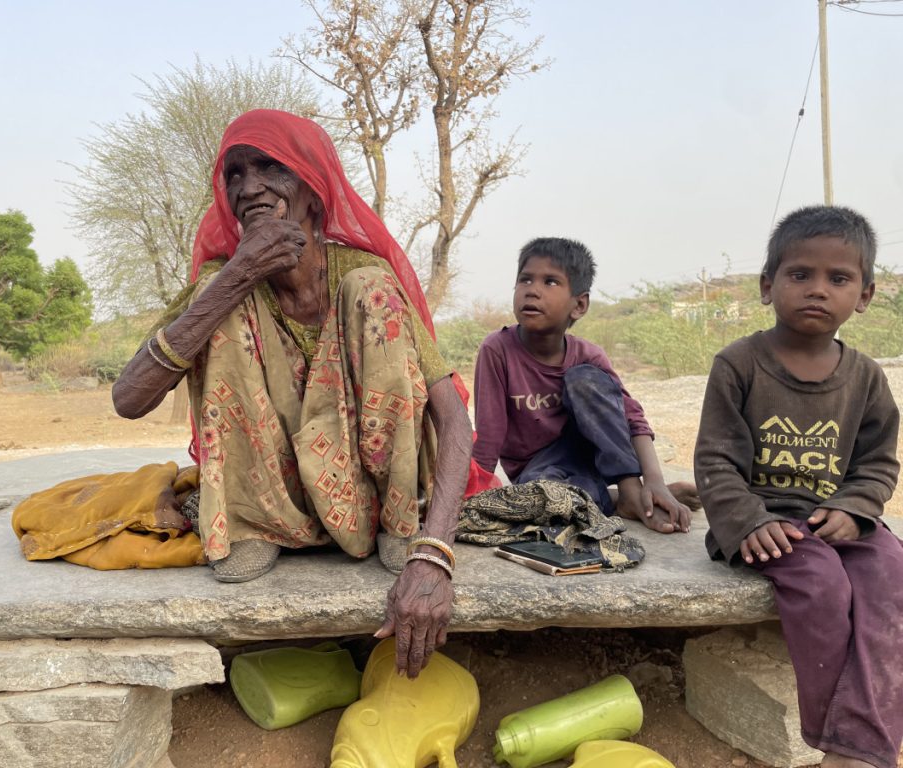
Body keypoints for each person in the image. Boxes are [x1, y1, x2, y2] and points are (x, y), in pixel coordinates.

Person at [112, 110, 473, 679]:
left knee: (371, 289)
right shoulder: (225, 276)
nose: (249, 187)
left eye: (270, 167)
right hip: (274, 492)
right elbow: (128, 399)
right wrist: (240, 273)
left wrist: (436, 555)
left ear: (312, 188)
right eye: (235, 173)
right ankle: (256, 524)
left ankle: (398, 519)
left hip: (366, 492)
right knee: (218, 300)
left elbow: (453, 419)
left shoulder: (362, 270)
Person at [694, 205, 903, 768]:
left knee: (892, 574)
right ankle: (842, 741)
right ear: (768, 286)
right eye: (800, 274)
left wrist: (856, 508)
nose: (818, 289)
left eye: (839, 278)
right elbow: (715, 460)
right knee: (821, 584)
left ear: (864, 295)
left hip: (838, 517)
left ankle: (863, 743)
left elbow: (878, 461)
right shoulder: (739, 364)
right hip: (765, 524)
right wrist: (748, 519)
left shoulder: (865, 377)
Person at [472, 237, 697, 533]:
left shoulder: (589, 355)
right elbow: (489, 434)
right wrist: (472, 495)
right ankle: (621, 501)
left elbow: (631, 418)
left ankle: (632, 490)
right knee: (538, 501)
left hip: (593, 457)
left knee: (585, 379)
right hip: (538, 471)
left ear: (579, 305)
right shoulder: (497, 350)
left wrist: (655, 481)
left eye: (550, 282)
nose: (532, 290)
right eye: (525, 279)